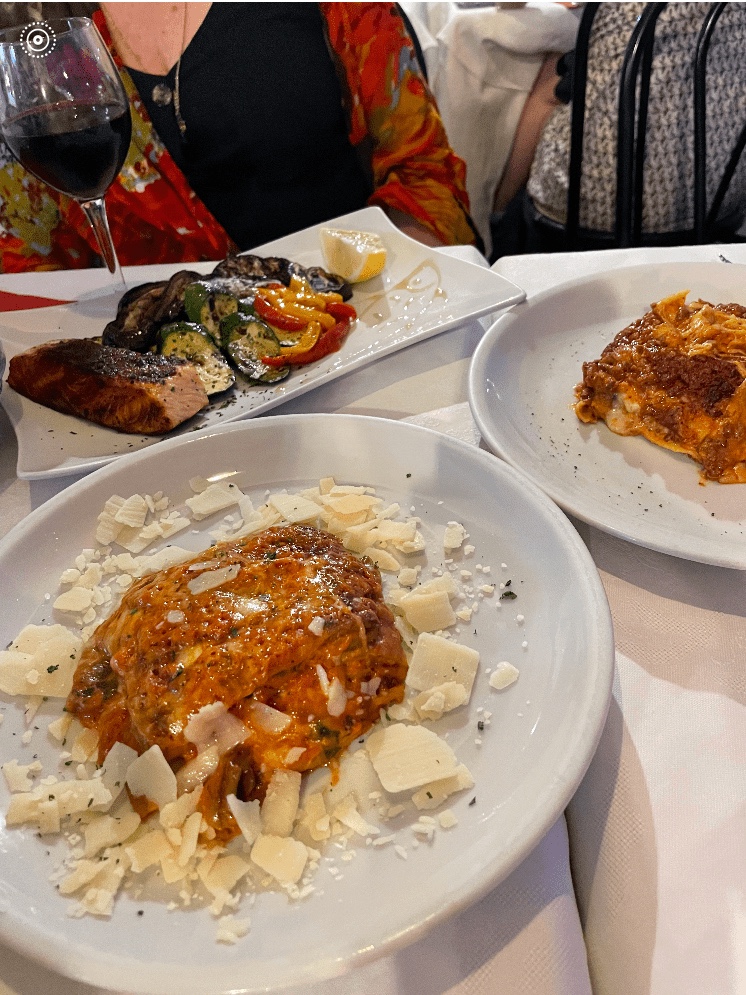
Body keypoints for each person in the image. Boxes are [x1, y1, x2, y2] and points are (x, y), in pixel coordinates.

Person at [0, 3, 480, 272]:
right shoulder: (30, 29)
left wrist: (391, 301)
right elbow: (24, 255)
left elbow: (425, 174)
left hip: (357, 334)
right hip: (154, 385)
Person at [490, 1, 746, 260]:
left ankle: (493, 218)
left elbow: (510, 5)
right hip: (717, 201)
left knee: (551, 82)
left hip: (591, 208)